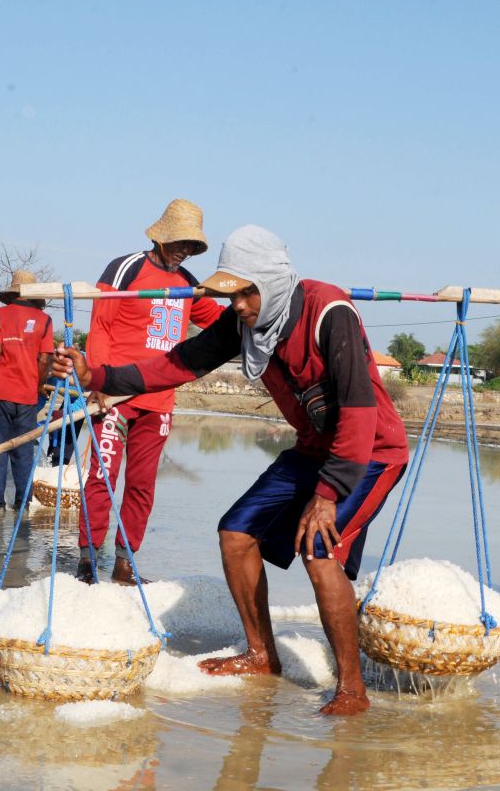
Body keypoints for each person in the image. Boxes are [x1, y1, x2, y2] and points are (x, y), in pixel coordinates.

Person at [53, 225, 409, 715]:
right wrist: (99, 376)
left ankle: (352, 689)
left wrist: (327, 493)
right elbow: (179, 363)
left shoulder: (330, 311)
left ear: (271, 281)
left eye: (246, 292)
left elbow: (359, 409)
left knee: (318, 549)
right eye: (232, 294)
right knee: (235, 533)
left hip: (369, 451)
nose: (238, 305)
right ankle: (262, 655)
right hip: (312, 447)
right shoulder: (246, 324)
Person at [74, 199, 224, 584]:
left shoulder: (189, 285)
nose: (183, 251)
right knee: (102, 477)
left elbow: (218, 322)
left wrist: (251, 309)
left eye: (191, 246)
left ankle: (124, 564)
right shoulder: (126, 269)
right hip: (116, 398)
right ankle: (88, 560)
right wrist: (100, 385)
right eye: (179, 242)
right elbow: (102, 326)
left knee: (141, 485)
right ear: (161, 237)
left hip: (159, 401)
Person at [0, 270, 54, 510]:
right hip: (27, 394)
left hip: (0, 392)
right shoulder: (45, 320)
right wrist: (39, 385)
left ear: (13, 292)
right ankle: (23, 501)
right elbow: (44, 359)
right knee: (24, 448)